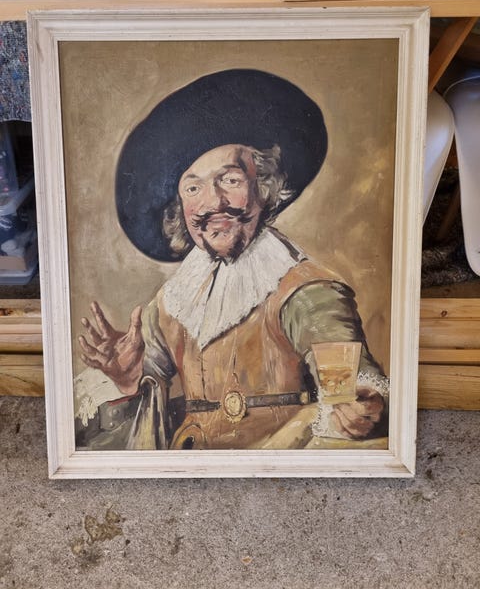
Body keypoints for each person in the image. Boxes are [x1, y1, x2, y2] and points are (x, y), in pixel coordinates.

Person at [74, 69, 389, 450]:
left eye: (230, 180)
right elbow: (145, 393)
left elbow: (346, 381)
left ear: (264, 187)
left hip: (278, 461)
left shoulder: (304, 290)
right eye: (193, 187)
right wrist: (127, 377)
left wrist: (356, 404)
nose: (213, 203)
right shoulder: (172, 302)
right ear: (179, 207)